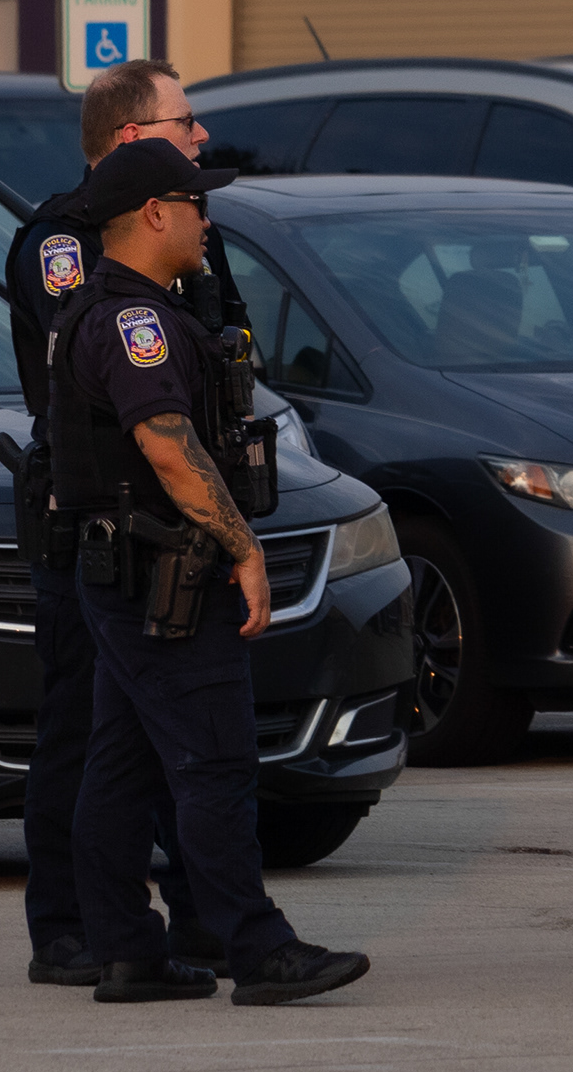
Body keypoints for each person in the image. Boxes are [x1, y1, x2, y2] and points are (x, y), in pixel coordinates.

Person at [52, 138, 370, 1008]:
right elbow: (167, 444)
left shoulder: (116, 308)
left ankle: (127, 950)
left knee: (122, 766)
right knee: (216, 761)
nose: (207, 216)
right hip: (166, 573)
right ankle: (259, 948)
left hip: (127, 573)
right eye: (195, 202)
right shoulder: (135, 321)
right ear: (154, 213)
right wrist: (244, 548)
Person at [2, 59, 216, 984]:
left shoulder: (186, 224)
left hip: (172, 516)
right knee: (86, 730)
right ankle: (68, 926)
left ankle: (196, 916)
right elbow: (102, 352)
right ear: (133, 137)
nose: (200, 135)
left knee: (171, 731)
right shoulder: (67, 241)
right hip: (96, 514)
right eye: (185, 119)